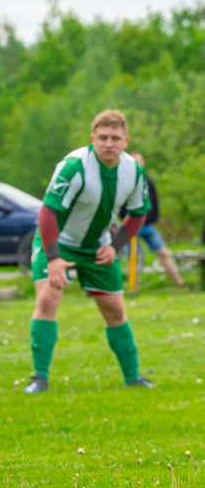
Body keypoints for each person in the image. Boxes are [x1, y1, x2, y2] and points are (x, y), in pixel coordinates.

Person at [24, 109, 154, 394]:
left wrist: (115, 246)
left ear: (125, 141)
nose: (109, 143)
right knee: (47, 299)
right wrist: (55, 259)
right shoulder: (74, 165)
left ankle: (133, 377)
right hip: (58, 243)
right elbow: (48, 212)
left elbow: (138, 214)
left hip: (98, 248)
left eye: (115, 138)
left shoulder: (133, 171)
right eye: (103, 137)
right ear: (93, 138)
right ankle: (40, 378)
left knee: (115, 311)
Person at [121, 153, 187, 288]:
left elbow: (155, 202)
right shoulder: (123, 182)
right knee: (133, 257)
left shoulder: (148, 181)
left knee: (163, 252)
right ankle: (134, 287)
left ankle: (180, 283)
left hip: (148, 225)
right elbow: (119, 205)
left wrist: (154, 218)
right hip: (132, 226)